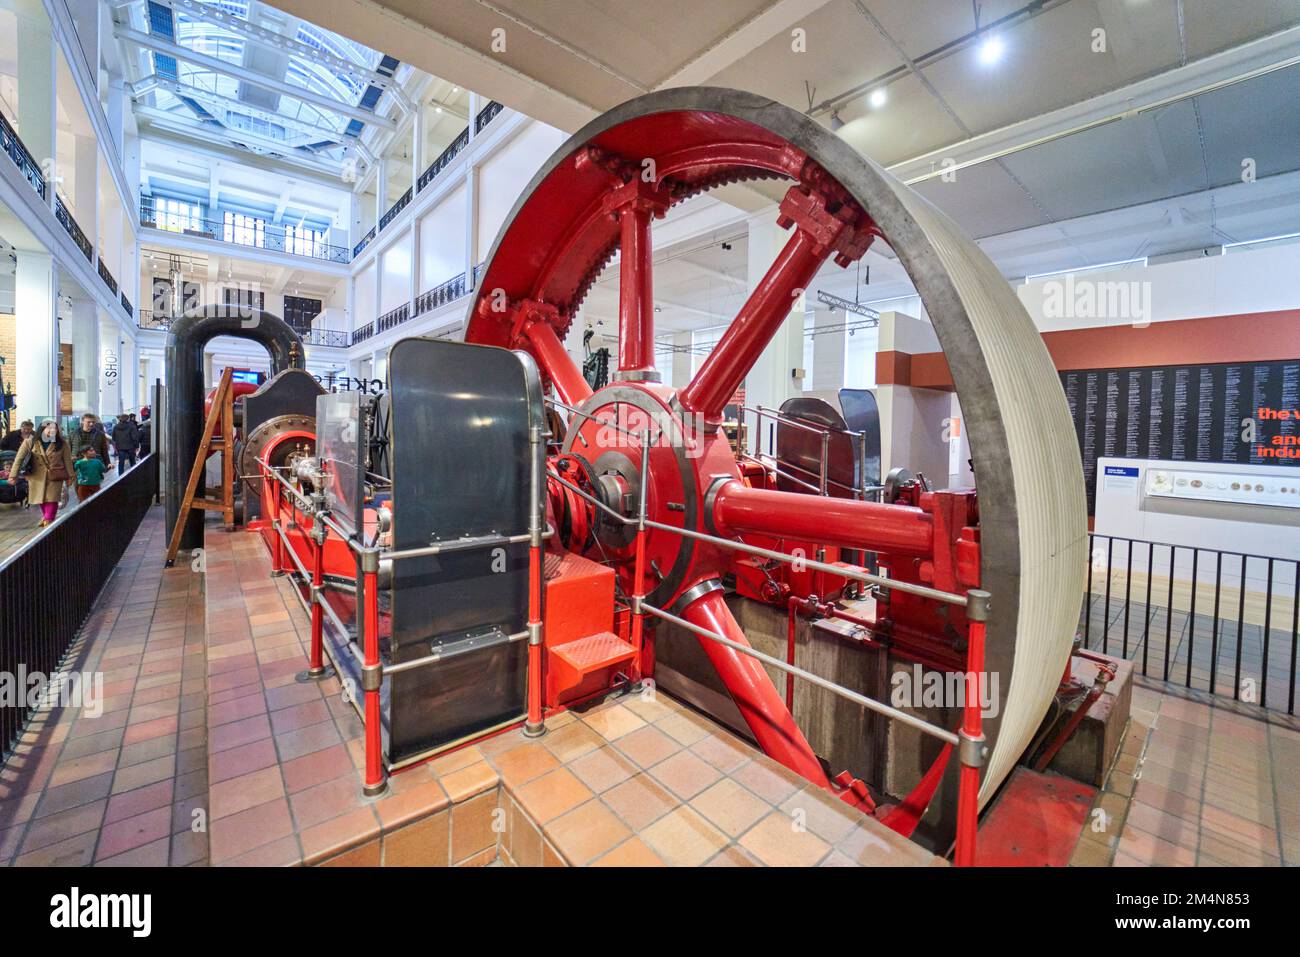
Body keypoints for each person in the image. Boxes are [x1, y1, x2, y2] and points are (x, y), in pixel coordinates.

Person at [9, 419, 75, 527]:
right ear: (42, 429)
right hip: (36, 475)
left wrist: (71, 475)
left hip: (54, 474)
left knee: (52, 498)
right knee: (40, 498)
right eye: (49, 428)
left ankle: (48, 520)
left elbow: (67, 460)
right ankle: (46, 518)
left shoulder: (62, 443)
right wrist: (13, 475)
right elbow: (18, 459)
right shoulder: (30, 442)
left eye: (55, 428)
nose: (52, 430)